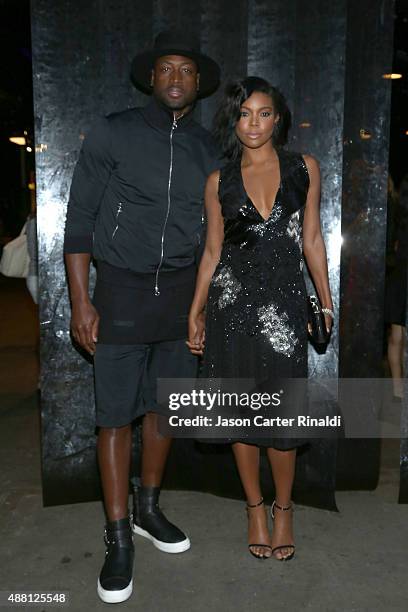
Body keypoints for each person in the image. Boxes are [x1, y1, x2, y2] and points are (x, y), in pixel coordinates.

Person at [63, 30, 220, 603]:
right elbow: (78, 220)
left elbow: (216, 238)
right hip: (122, 294)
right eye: (165, 69)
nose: (175, 78)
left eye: (186, 70)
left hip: (181, 297)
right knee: (115, 417)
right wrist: (83, 300)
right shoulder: (113, 132)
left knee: (167, 408)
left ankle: (149, 510)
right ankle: (118, 536)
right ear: (151, 79)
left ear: (197, 83)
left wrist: (204, 308)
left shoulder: (209, 149)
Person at [187, 77, 333, 561]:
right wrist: (196, 311)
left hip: (284, 310)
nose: (254, 123)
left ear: (278, 118)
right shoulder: (218, 181)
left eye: (264, 113)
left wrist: (326, 301)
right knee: (239, 414)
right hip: (231, 308)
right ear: (234, 119)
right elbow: (211, 252)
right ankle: (254, 506)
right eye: (245, 113)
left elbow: (312, 240)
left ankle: (284, 508)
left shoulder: (304, 168)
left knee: (283, 416)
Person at [385, 174, 408, 400]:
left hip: (399, 271)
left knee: (397, 335)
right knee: (397, 335)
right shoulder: (398, 207)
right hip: (400, 271)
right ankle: (397, 390)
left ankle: (398, 390)